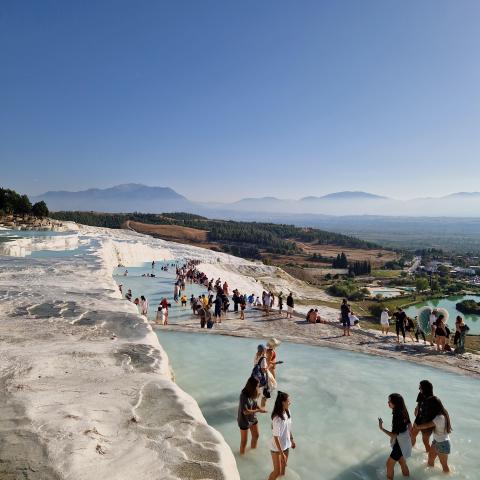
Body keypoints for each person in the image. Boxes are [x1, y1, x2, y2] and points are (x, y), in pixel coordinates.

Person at [414, 396, 452, 474]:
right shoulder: (441, 413)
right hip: (436, 441)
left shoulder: (440, 417)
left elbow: (427, 425)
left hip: (443, 443)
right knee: (430, 459)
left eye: (428, 405)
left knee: (444, 466)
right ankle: (429, 475)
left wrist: (417, 426)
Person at [378, 393, 412, 479]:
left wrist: (381, 428)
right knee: (402, 462)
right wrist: (408, 435)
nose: (388, 403)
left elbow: (394, 435)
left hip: (400, 443)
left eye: (389, 401)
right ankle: (407, 478)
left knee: (389, 464)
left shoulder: (397, 415)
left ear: (395, 403)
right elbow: (409, 424)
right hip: (404, 440)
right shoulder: (403, 409)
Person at [268, 391, 295, 480]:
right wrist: (281, 453)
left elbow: (288, 427)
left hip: (286, 445)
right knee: (277, 471)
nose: (290, 402)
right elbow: (276, 437)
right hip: (276, 448)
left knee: (283, 470)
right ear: (283, 402)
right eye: (288, 401)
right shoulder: (277, 418)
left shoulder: (287, 412)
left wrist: (291, 439)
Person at [237, 376, 267, 455]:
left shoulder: (254, 391)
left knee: (256, 436)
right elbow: (245, 412)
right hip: (244, 420)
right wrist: (258, 410)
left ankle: (253, 452)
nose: (258, 386)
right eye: (257, 385)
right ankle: (241, 456)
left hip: (253, 418)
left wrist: (260, 408)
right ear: (252, 386)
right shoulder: (243, 395)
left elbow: (255, 404)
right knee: (244, 441)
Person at [411, 380, 435, 452]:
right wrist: (416, 408)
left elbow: (435, 414)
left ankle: (428, 455)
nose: (419, 388)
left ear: (425, 388)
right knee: (412, 435)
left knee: (425, 441)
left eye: (420, 387)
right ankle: (411, 450)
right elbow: (419, 403)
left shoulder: (432, 400)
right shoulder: (420, 394)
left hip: (427, 423)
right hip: (418, 419)